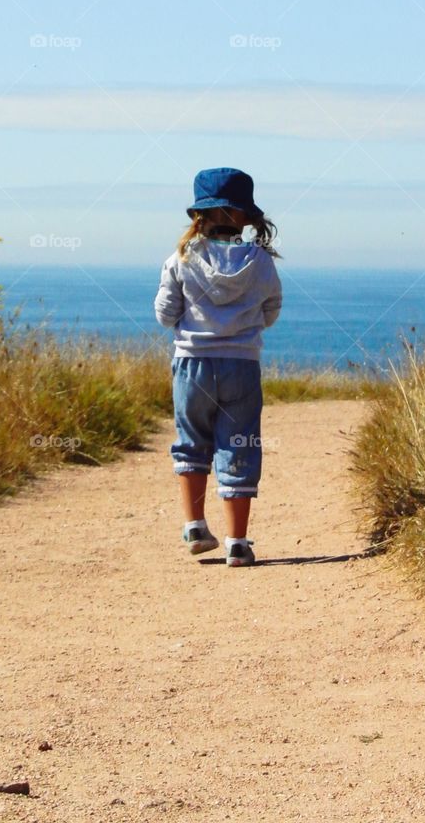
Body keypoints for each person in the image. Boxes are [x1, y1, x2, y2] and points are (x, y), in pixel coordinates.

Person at [153, 168, 282, 567]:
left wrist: (189, 324)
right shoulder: (260, 261)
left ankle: (194, 526)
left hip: (191, 365)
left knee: (191, 443)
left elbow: (164, 313)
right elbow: (271, 310)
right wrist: (243, 327)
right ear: (246, 217)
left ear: (199, 215)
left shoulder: (181, 258)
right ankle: (238, 543)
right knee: (239, 444)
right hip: (241, 366)